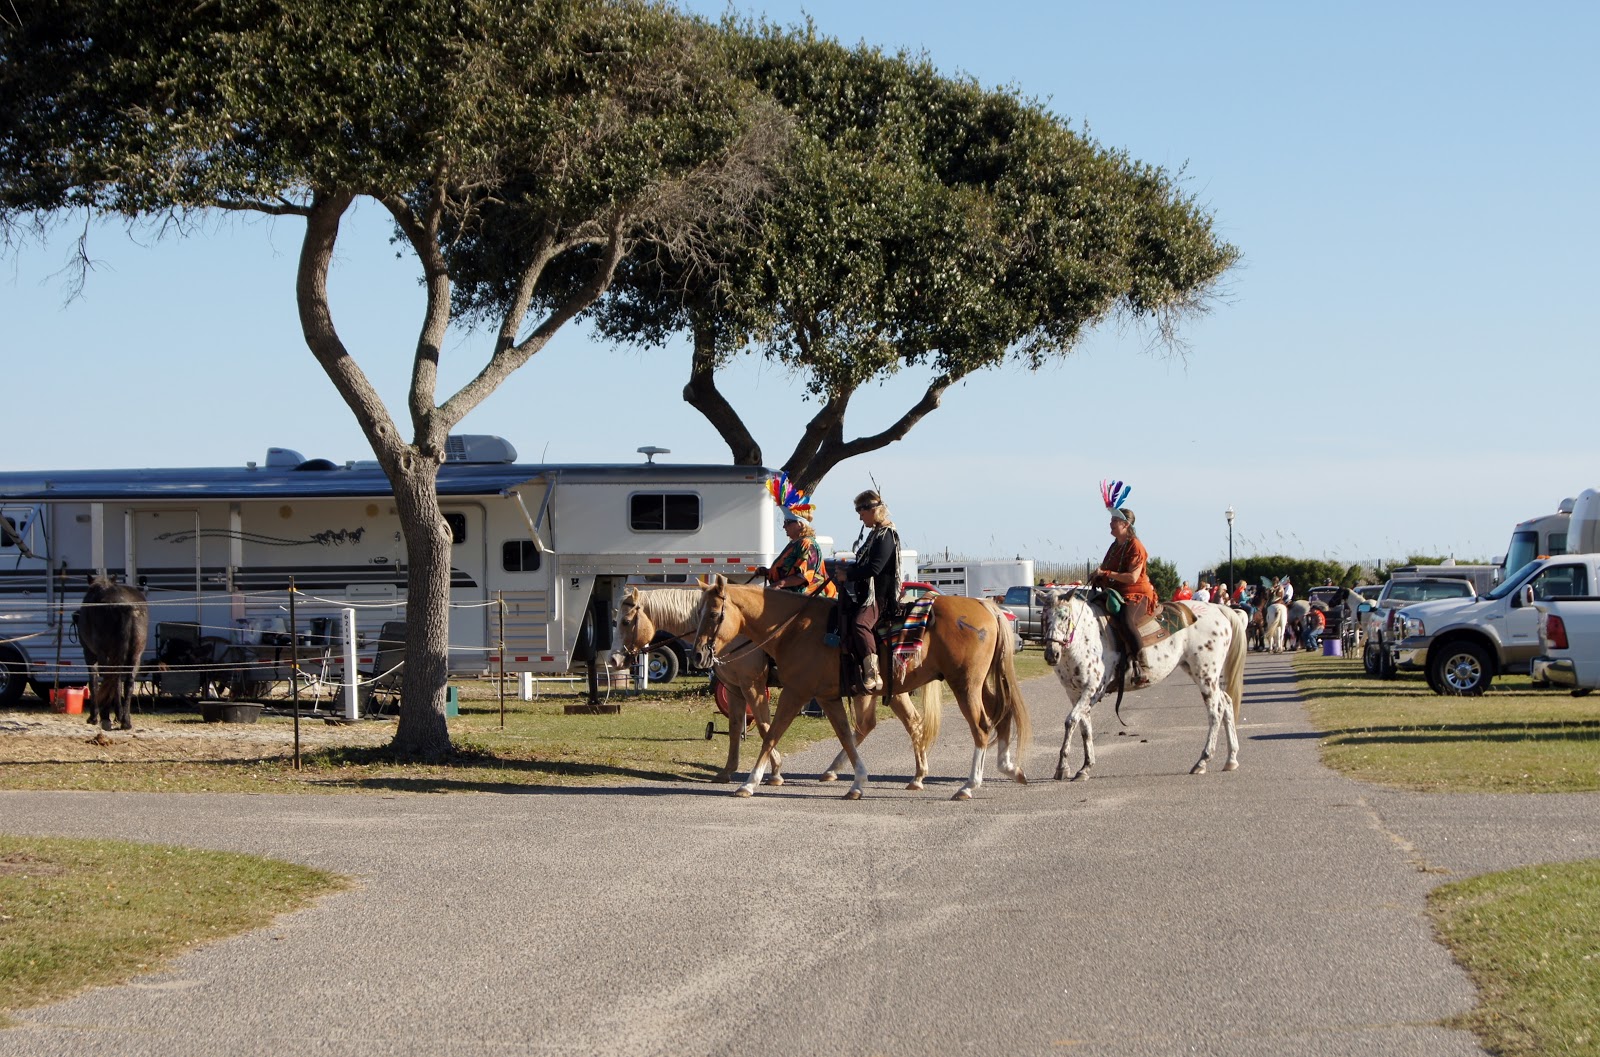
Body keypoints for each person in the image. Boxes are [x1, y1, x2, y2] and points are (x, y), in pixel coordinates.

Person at [1090, 501, 1160, 688]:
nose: (1110, 523)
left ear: (1126, 525)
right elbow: (1106, 569)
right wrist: (1098, 577)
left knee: (1126, 620)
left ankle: (1143, 666)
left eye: (1115, 520)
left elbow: (1132, 577)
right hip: (1116, 593)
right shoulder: (1114, 546)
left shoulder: (1136, 546)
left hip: (1137, 594)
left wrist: (1106, 574)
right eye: (1111, 519)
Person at [837, 489, 900, 693]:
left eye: (861, 511)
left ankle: (873, 674)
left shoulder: (886, 535)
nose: (859, 516)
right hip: (866, 595)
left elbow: (875, 568)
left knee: (860, 624)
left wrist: (848, 576)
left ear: (872, 510)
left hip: (879, 596)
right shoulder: (875, 535)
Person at [761, 509, 836, 598]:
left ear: (800, 524)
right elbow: (787, 570)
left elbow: (803, 576)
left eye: (787, 522)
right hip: (794, 599)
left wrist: (778, 584)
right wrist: (768, 571)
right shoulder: (794, 543)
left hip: (812, 601)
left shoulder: (807, 544)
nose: (784, 526)